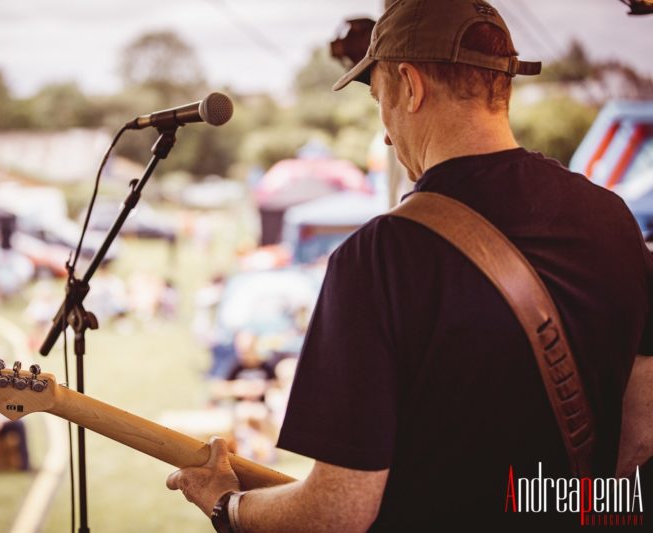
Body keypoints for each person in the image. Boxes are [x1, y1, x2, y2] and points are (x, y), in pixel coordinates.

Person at [165, 1, 653, 530]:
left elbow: (338, 513)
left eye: (380, 100)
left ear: (410, 85)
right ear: (500, 85)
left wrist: (225, 504)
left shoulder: (380, 257)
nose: (387, 135)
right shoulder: (613, 218)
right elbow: (641, 431)